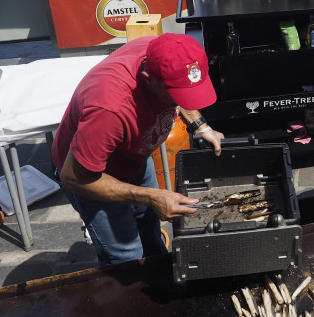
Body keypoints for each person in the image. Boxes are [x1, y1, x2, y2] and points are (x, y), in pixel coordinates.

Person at [52, 34, 224, 266]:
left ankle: (157, 275)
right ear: (148, 80)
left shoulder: (161, 51)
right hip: (91, 175)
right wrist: (153, 196)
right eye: (175, 96)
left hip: (133, 156)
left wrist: (201, 126)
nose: (182, 100)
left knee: (148, 225)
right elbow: (73, 177)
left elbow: (181, 84)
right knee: (126, 255)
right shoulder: (109, 109)